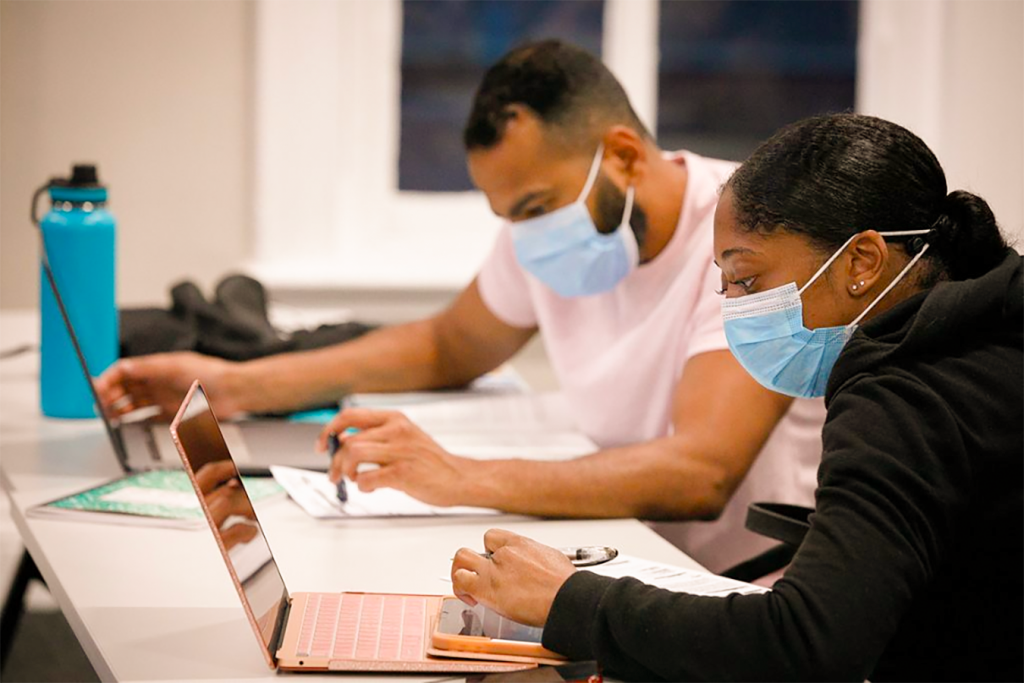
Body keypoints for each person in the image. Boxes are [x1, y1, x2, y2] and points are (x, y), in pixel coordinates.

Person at [95, 40, 825, 572]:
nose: (524, 236)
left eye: (535, 205)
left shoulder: (742, 241)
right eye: (507, 213)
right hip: (622, 545)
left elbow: (700, 471)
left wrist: (452, 474)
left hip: (740, 581)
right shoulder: (548, 228)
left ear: (626, 156)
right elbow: (449, 345)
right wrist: (230, 385)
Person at [450, 112, 1024, 681]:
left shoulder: (903, 397)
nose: (736, 308)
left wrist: (570, 601)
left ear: (862, 263)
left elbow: (807, 644)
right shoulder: (989, 328)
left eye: (746, 280)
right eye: (724, 285)